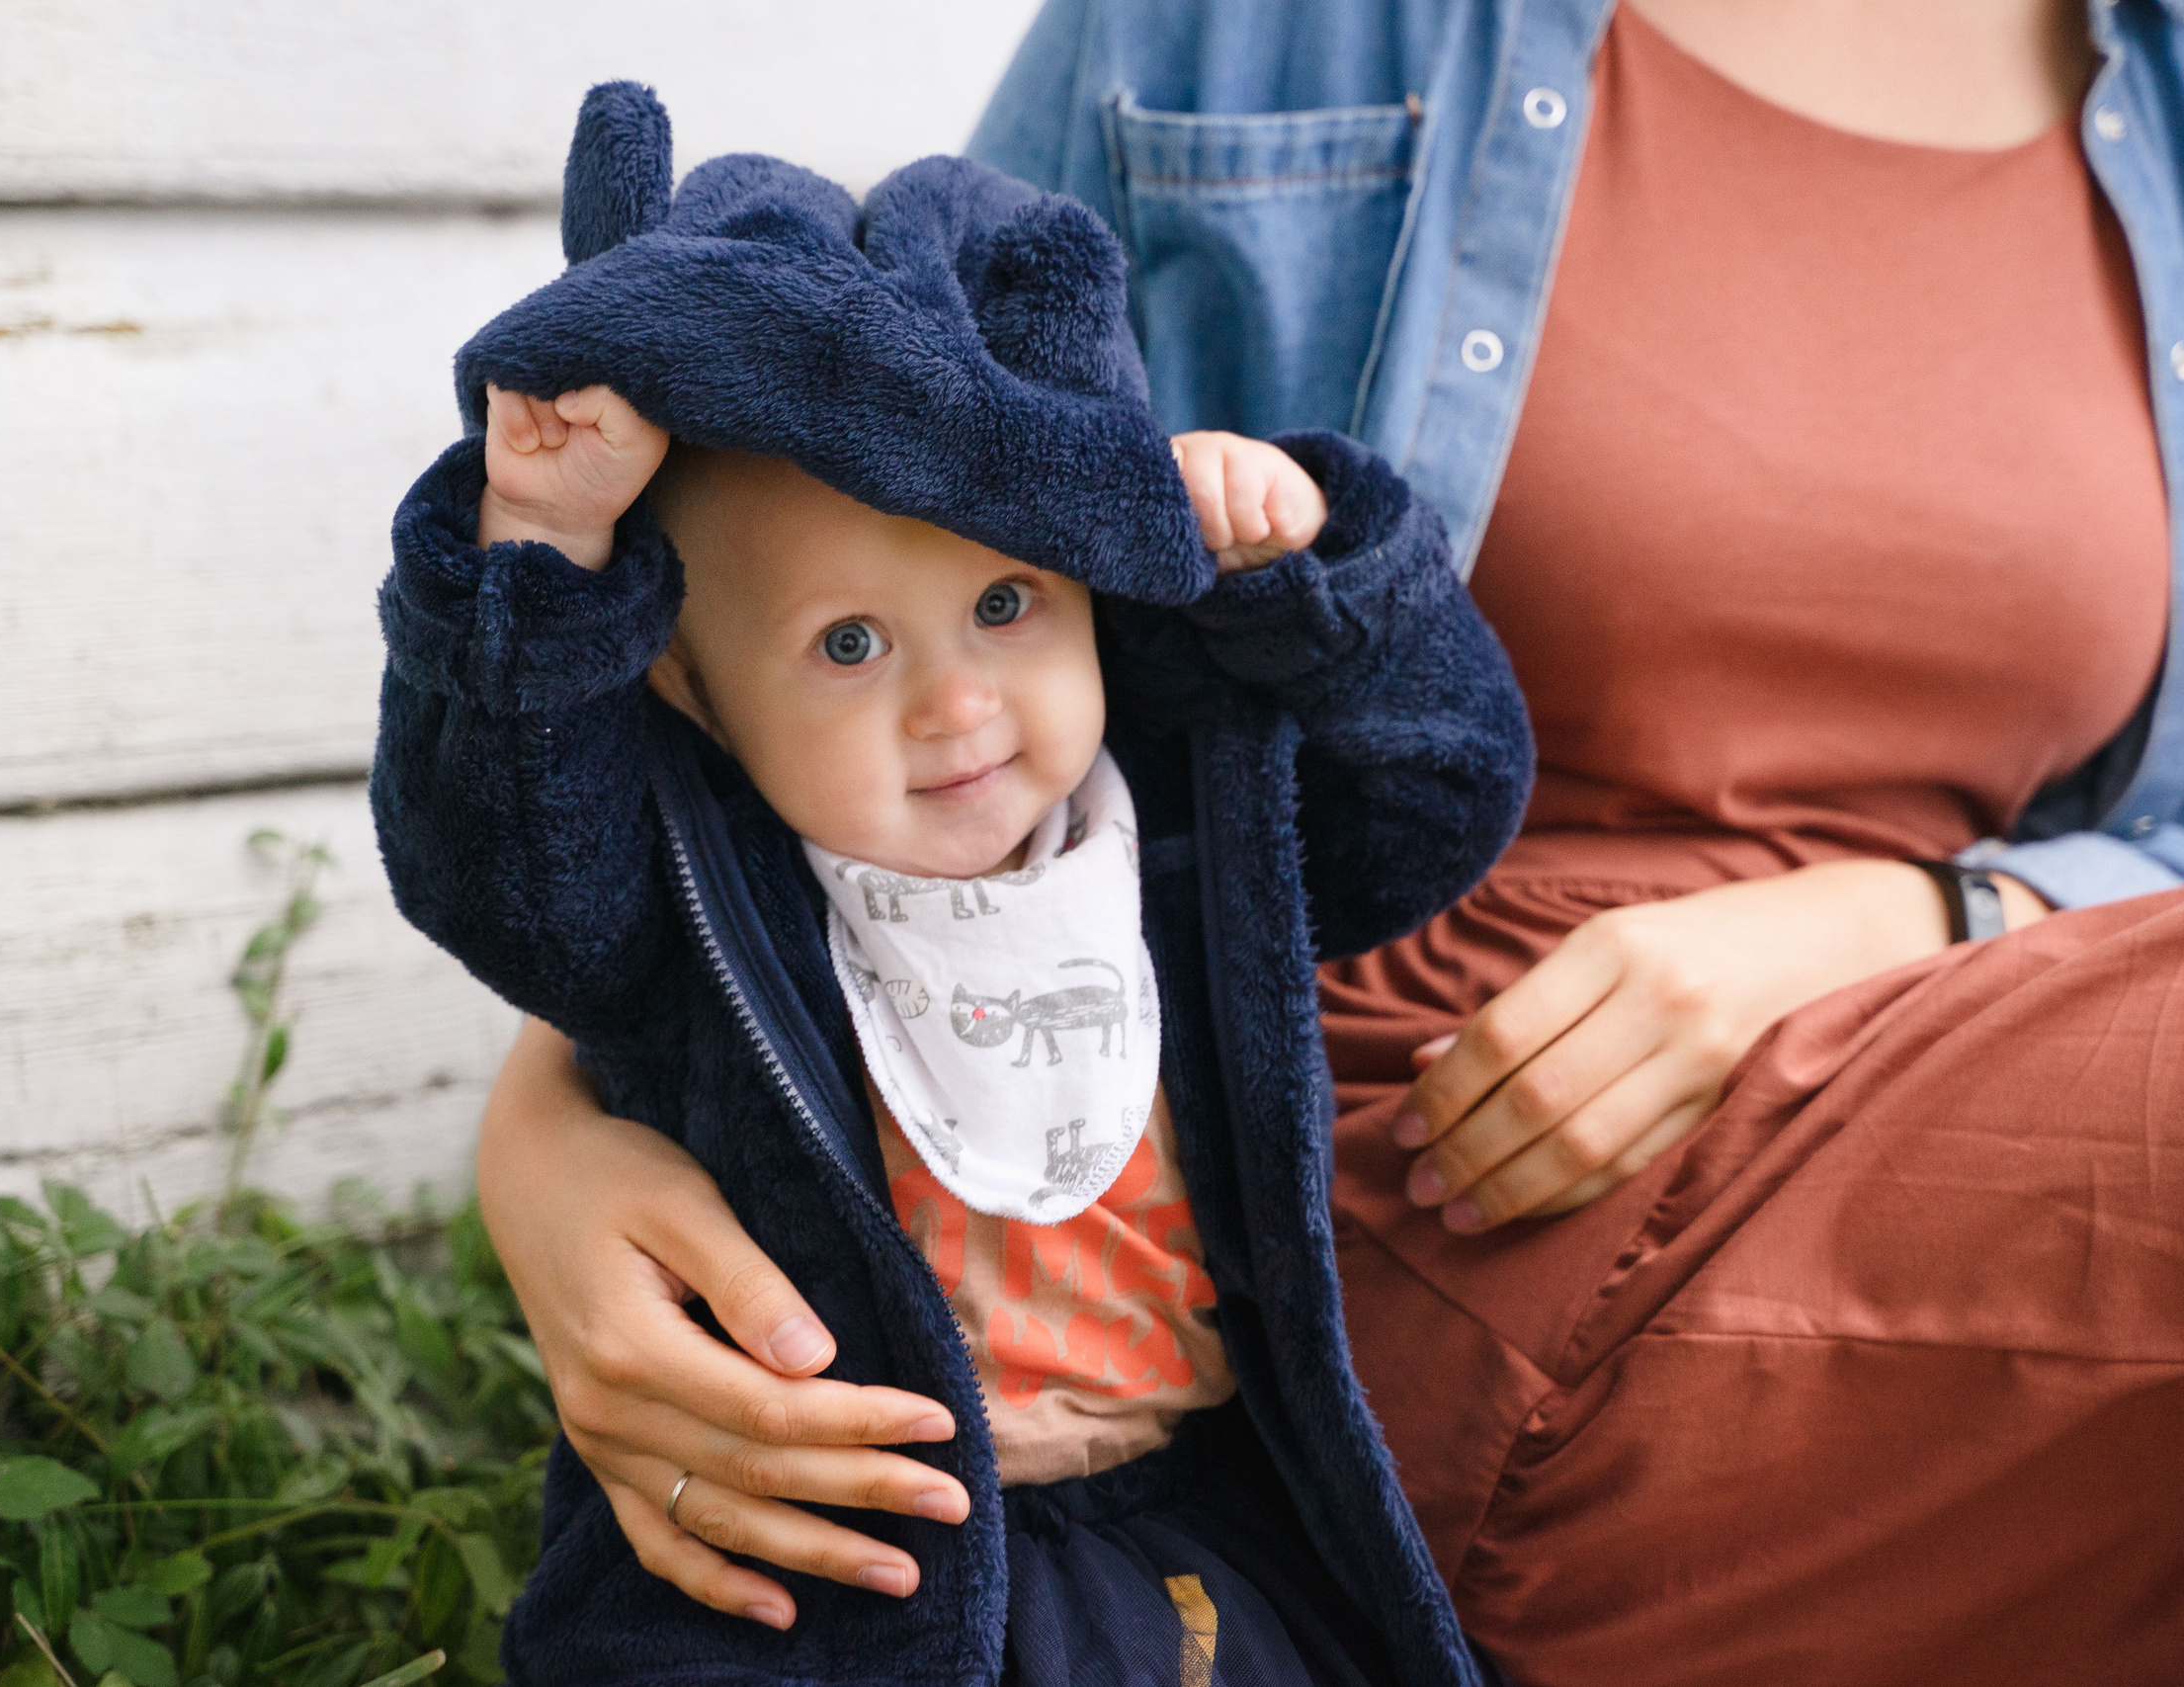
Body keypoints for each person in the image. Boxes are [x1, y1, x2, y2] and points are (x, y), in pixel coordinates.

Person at [466, 2, 2184, 1679]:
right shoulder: (1244, 20)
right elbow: (837, 574)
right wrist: (548, 1123)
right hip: (1420, 1182)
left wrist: (1900, 916)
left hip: (2018, 1062)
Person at [372, 84, 1532, 1687]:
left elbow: (1441, 798)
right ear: (694, 694)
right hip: (830, 1548)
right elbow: (493, 879)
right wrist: (541, 551)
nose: (959, 704)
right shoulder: (691, 898)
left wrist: (1311, 582)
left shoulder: (1191, 829)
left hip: (1176, 1505)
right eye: (849, 646)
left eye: (1006, 601)